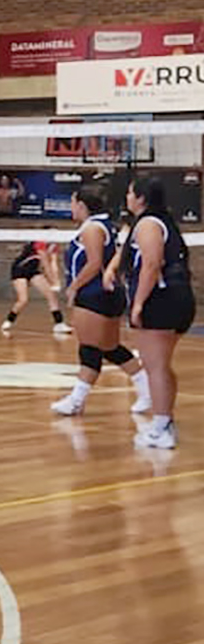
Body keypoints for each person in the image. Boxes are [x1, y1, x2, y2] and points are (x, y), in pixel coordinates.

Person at [105, 175, 196, 449]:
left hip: (161, 301)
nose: (128, 197)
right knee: (162, 366)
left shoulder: (147, 224)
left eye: (131, 193)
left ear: (142, 197)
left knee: (154, 366)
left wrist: (139, 304)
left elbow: (152, 263)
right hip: (179, 300)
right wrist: (113, 270)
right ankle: (165, 421)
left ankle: (161, 427)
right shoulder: (165, 222)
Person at [50, 184, 151, 418]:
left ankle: (76, 401)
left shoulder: (93, 229)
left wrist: (73, 288)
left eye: (73, 203)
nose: (71, 208)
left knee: (89, 349)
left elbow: (94, 263)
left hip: (94, 294)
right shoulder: (102, 225)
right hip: (107, 293)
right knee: (109, 347)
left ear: (82, 205)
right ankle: (145, 390)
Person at [2, 239, 70, 334]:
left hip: (33, 271)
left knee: (51, 295)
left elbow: (53, 263)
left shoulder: (53, 245)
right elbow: (46, 264)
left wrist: (56, 280)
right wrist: (52, 281)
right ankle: (9, 320)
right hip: (19, 270)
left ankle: (59, 324)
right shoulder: (39, 242)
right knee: (23, 300)